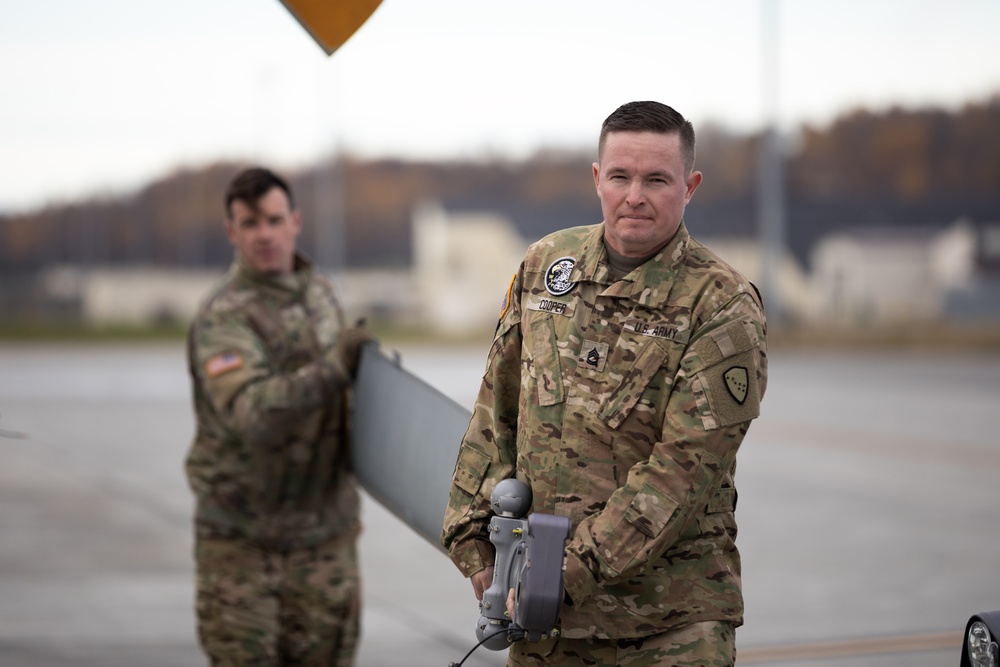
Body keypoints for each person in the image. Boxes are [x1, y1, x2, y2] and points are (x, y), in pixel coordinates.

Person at [441, 101, 768, 667]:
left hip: (669, 627)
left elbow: (682, 473)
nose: (634, 195)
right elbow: (497, 409)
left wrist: (564, 573)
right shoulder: (547, 266)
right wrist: (473, 541)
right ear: (598, 178)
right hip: (544, 620)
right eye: (620, 176)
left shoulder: (721, 305)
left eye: (656, 179)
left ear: (689, 186)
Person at [185, 166, 372, 666]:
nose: (264, 234)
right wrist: (335, 369)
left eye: (272, 220)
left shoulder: (320, 293)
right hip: (244, 545)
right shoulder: (225, 316)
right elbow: (252, 413)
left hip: (324, 539)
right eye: (249, 224)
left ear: (295, 221)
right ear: (232, 232)